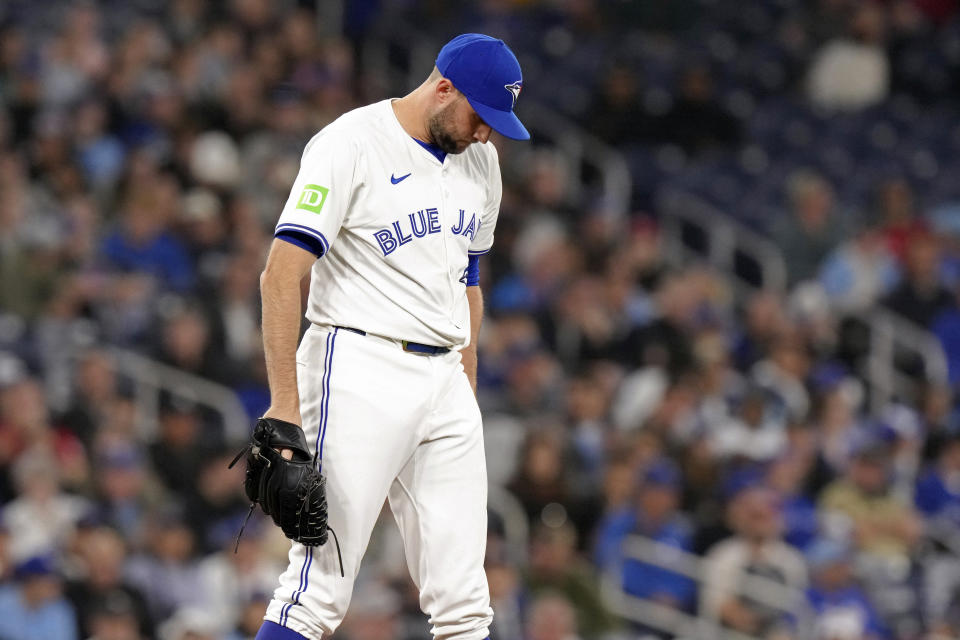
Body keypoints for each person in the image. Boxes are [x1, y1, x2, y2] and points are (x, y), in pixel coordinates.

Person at [254, 33, 529, 640]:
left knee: (465, 605)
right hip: (358, 364)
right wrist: (283, 408)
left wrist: (466, 387)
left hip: (446, 378)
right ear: (443, 87)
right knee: (317, 591)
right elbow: (281, 277)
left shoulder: (482, 163)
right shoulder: (350, 143)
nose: (486, 133)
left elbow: (469, 281)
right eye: (479, 116)